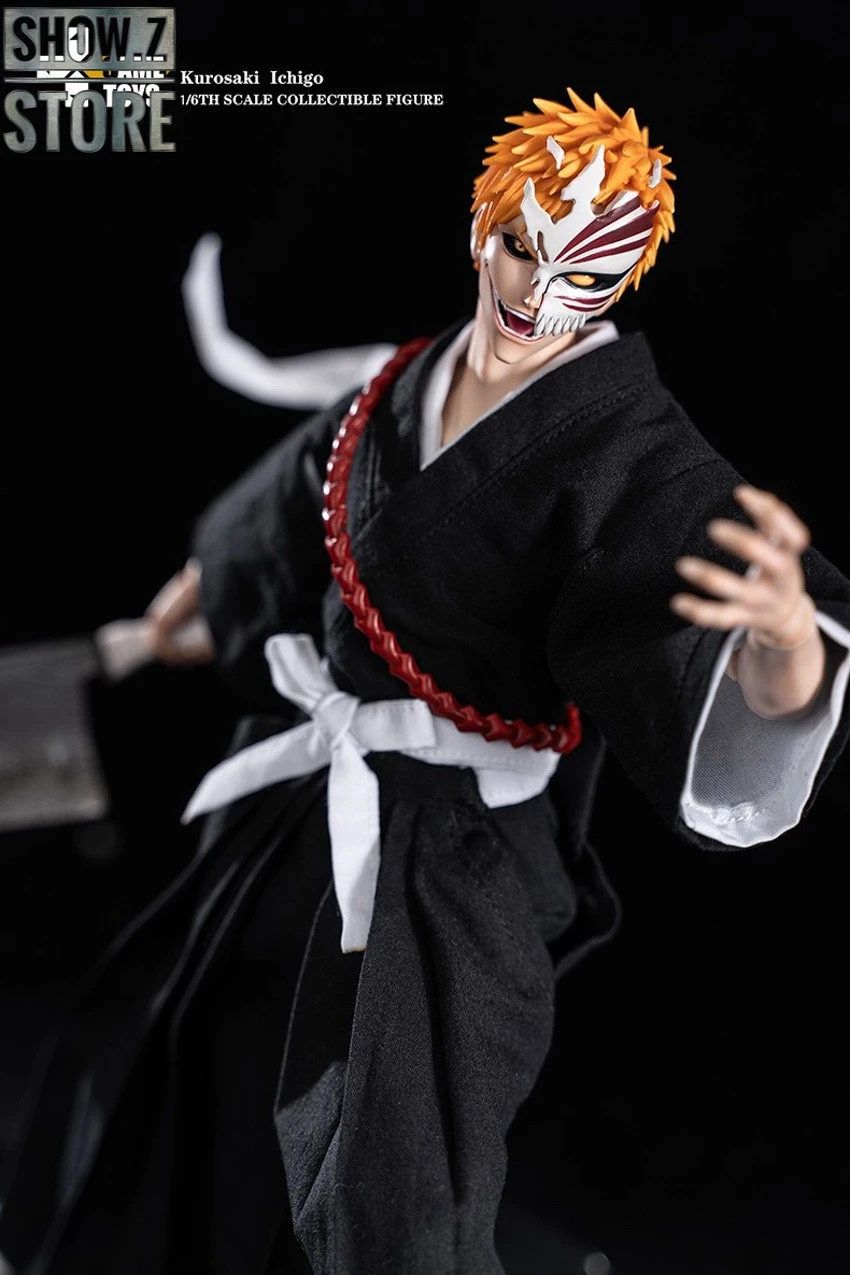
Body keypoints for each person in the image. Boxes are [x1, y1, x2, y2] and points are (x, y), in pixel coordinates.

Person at [2, 86, 849, 1275]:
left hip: (453, 865)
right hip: (303, 803)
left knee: (395, 1174)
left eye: (585, 277)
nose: (536, 298)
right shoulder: (407, 379)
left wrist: (783, 643)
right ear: (478, 227)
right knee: (197, 1036)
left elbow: (717, 660)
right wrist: (201, 596)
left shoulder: (635, 458)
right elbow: (312, 499)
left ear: (625, 283)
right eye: (520, 248)